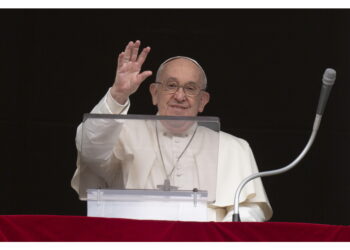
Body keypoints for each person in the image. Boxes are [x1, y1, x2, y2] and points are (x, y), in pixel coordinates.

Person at [71, 40, 273, 222]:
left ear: (202, 101)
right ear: (154, 93)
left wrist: (216, 236)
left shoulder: (234, 147)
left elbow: (251, 209)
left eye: (191, 88)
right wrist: (119, 93)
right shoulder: (121, 133)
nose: (180, 96)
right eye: (171, 85)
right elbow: (89, 150)